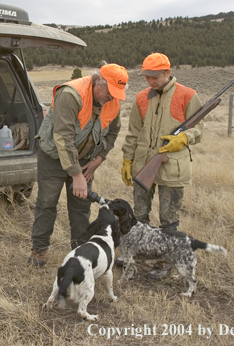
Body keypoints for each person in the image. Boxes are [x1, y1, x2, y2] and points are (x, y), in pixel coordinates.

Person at [28, 63, 129, 267]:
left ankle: (80, 251)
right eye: (109, 91)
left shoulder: (113, 102)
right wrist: (76, 175)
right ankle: (39, 249)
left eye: (116, 93)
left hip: (85, 160)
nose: (111, 97)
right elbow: (63, 137)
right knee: (47, 204)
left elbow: (112, 133)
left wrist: (98, 160)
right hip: (54, 157)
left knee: (81, 207)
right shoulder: (71, 94)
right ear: (97, 80)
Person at [120, 52, 204, 280]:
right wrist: (128, 159)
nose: (150, 81)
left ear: (168, 73)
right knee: (139, 215)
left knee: (169, 219)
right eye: (147, 77)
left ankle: (166, 260)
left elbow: (199, 129)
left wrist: (184, 138)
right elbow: (133, 133)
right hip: (143, 164)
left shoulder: (188, 95)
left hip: (171, 167)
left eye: (155, 77)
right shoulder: (140, 98)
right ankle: (136, 255)